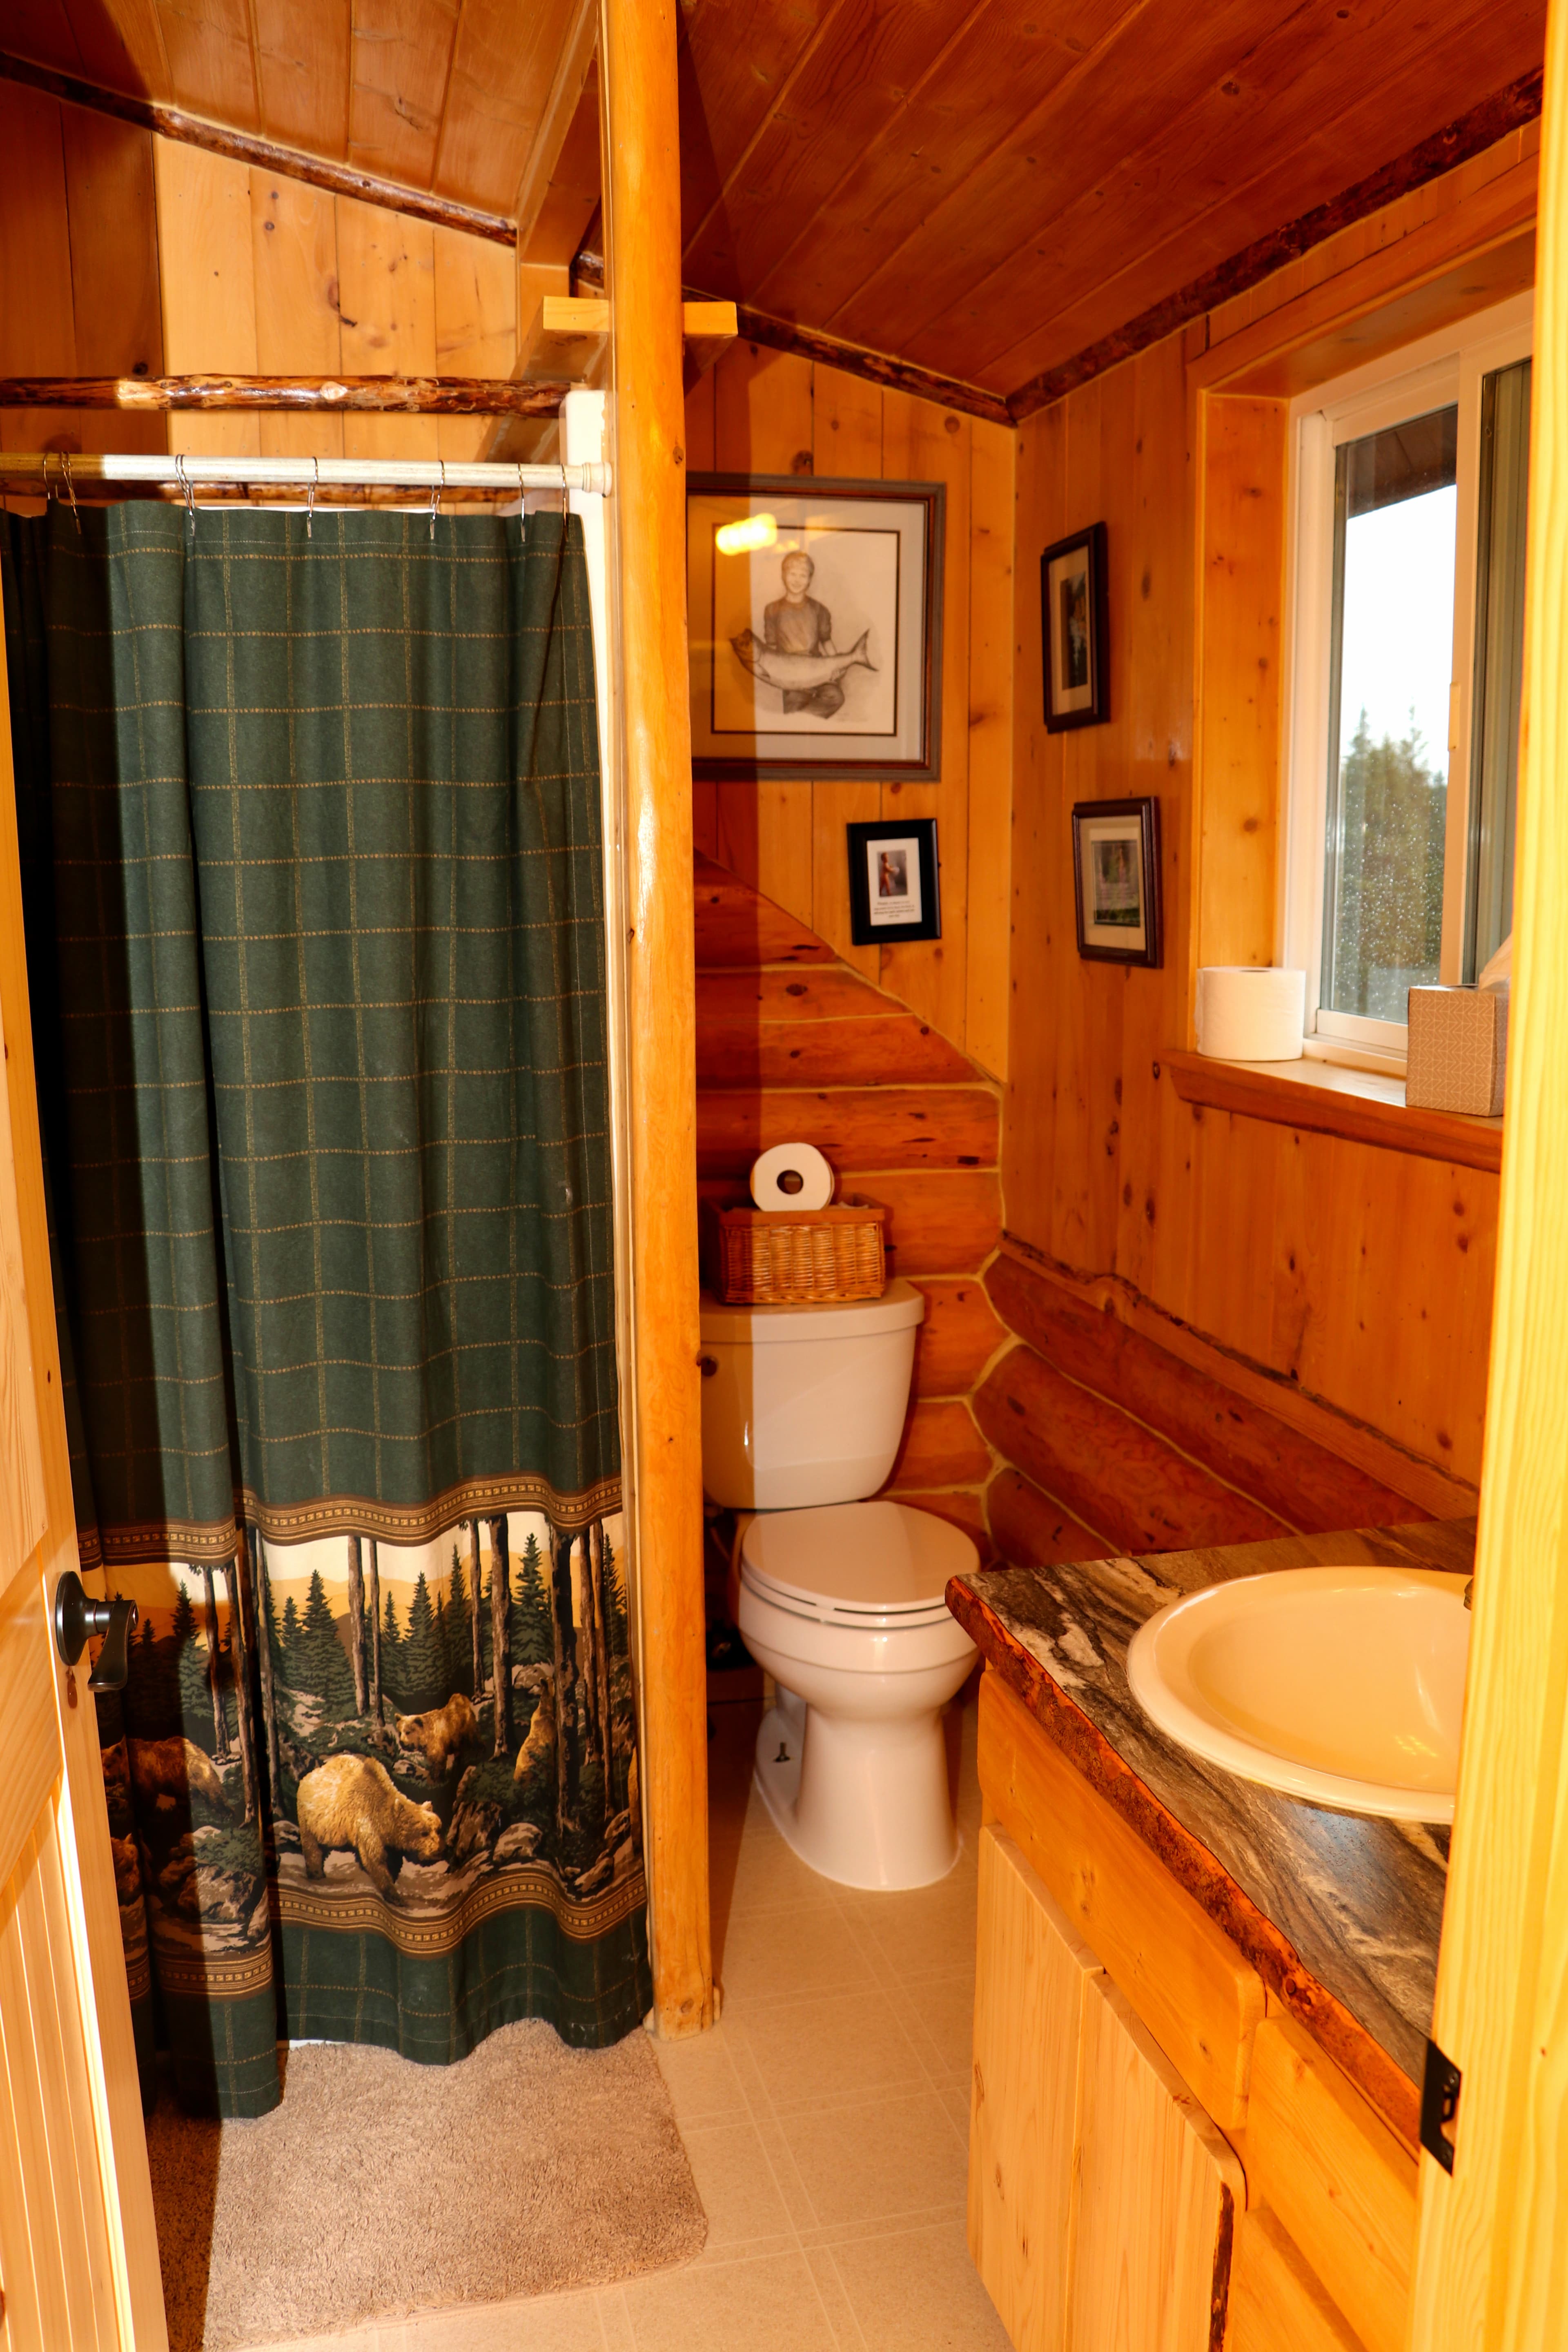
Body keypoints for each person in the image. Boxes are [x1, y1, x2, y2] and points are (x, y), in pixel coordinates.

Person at [763, 549, 844, 718]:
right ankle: (801, 718)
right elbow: (770, 648)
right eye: (793, 574)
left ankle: (804, 719)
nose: (797, 580)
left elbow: (827, 641)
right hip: (790, 675)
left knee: (836, 697)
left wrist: (838, 665)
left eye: (803, 575)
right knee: (794, 707)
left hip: (818, 668)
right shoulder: (772, 610)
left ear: (809, 581)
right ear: (784, 575)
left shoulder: (819, 610)